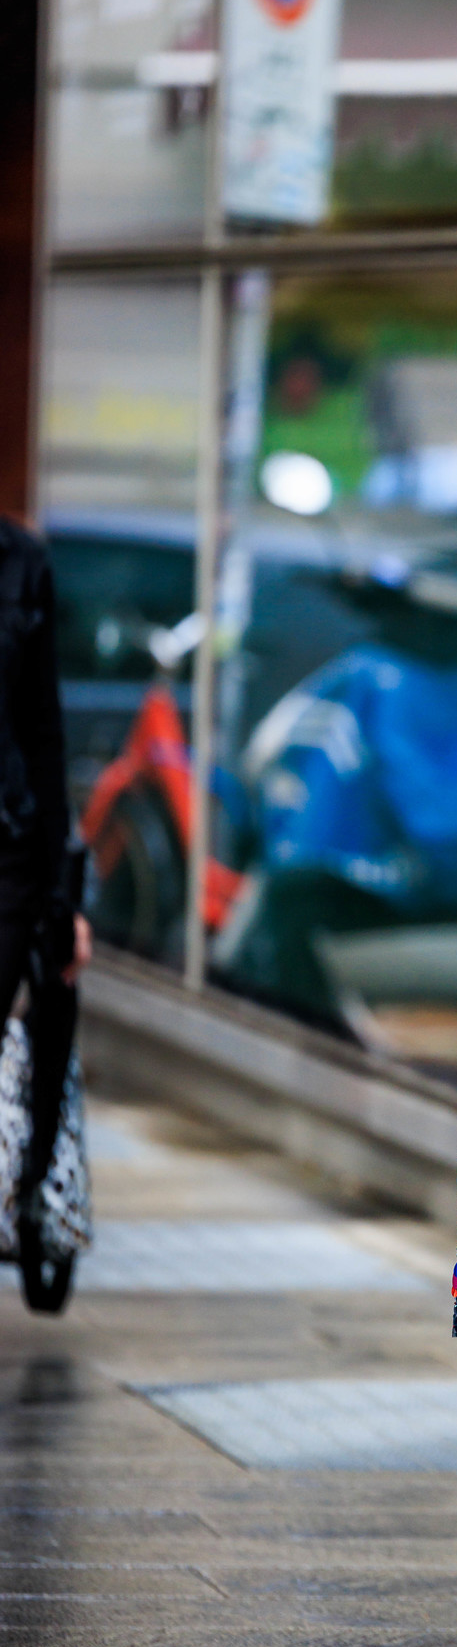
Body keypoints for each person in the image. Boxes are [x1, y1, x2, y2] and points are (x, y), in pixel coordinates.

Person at [0, 518, 91, 1312]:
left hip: (11, 863)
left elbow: (44, 732)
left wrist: (63, 898)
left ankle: (25, 1201)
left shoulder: (22, 563)